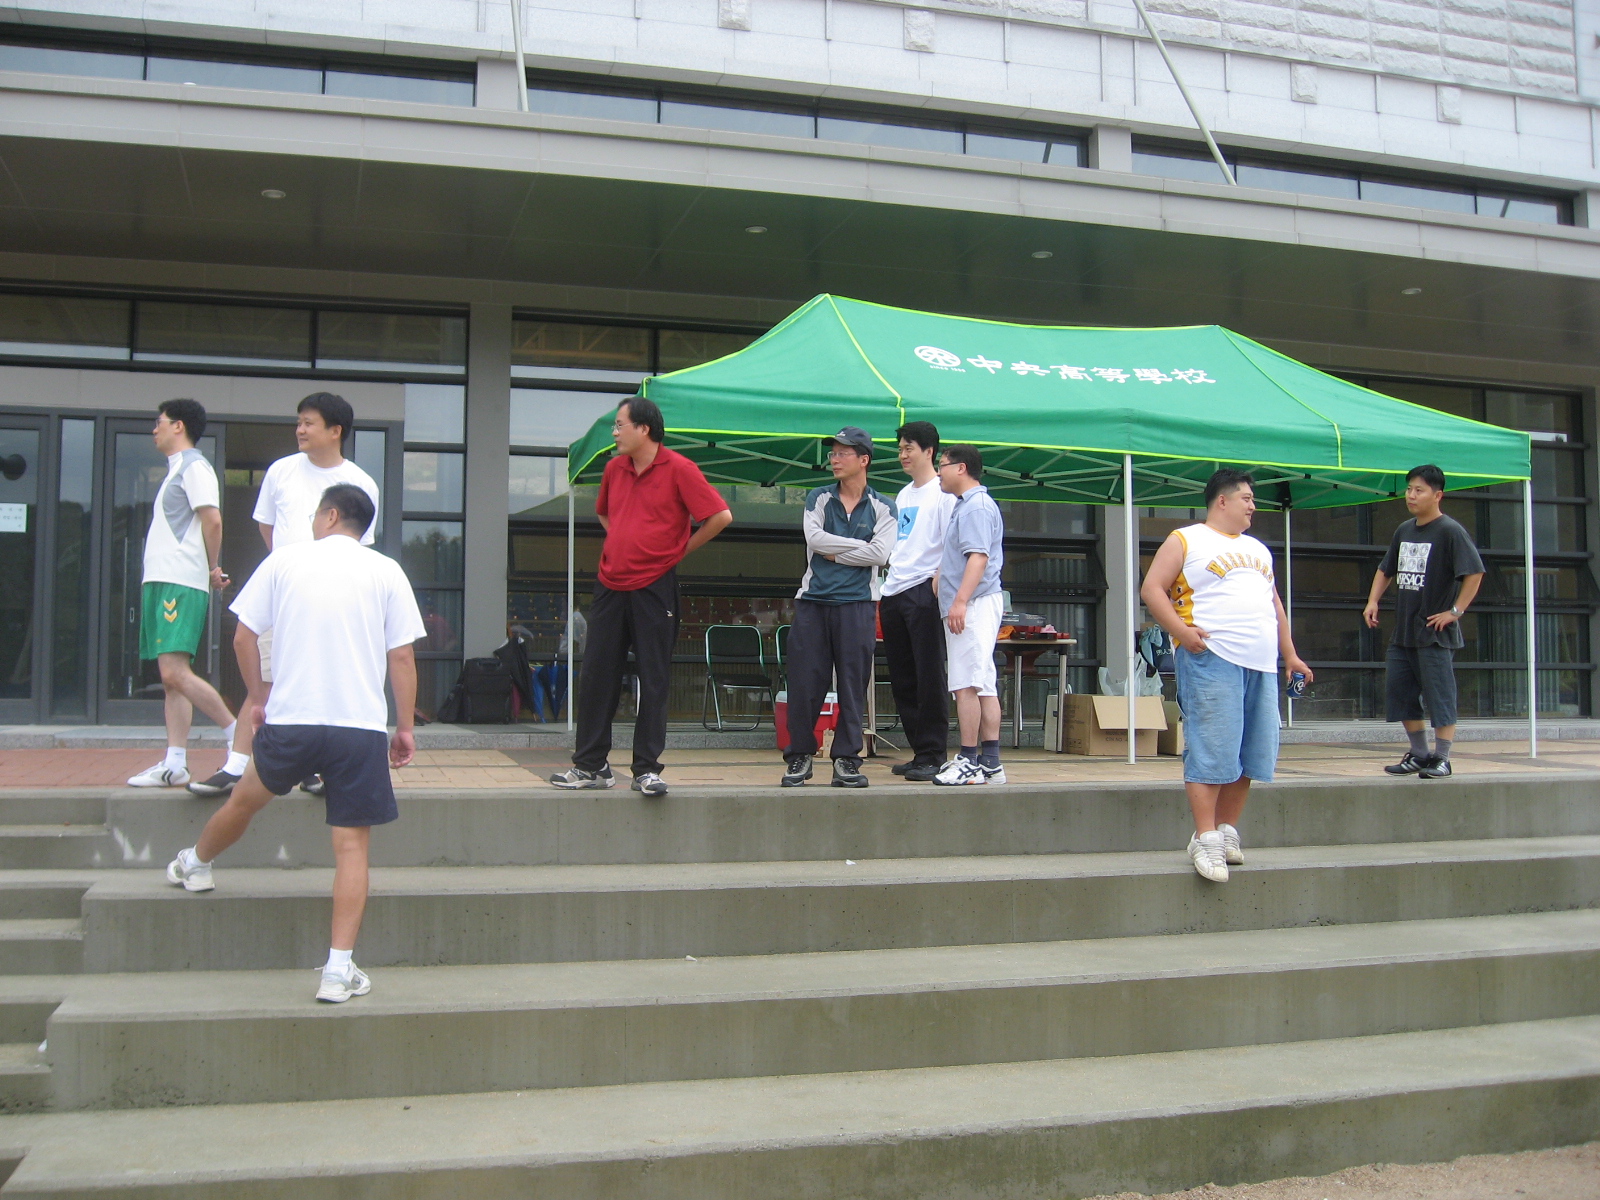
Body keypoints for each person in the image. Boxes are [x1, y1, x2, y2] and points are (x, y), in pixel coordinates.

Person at [165, 484, 423, 1004]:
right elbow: (401, 657)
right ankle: (338, 971)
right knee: (351, 847)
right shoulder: (387, 571)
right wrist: (404, 728)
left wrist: (259, 697)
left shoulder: (285, 561)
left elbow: (243, 636)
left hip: (292, 721)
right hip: (358, 729)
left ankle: (194, 862)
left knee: (244, 801)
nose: (310, 521)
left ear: (331, 515)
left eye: (314, 513)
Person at [191, 393, 380, 799]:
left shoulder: (361, 483)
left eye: (309, 423)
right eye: (299, 422)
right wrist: (290, 569)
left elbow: (360, 547)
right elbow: (268, 528)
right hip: (284, 597)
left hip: (334, 603)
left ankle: (313, 770)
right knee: (264, 681)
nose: (300, 429)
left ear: (336, 430)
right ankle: (236, 765)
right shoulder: (281, 471)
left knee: (324, 682)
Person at [549, 396, 731, 797]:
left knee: (653, 678)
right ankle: (592, 766)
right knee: (597, 676)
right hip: (609, 585)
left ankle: (646, 769)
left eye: (619, 425)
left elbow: (720, 516)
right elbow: (604, 513)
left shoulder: (680, 468)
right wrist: (623, 538)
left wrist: (676, 551)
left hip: (654, 588)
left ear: (644, 429)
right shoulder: (613, 469)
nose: (614, 433)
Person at [1140, 468, 1313, 883]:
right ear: (1222, 500)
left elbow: (1274, 604)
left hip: (1260, 663)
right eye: (1246, 498)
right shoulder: (1186, 539)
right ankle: (1205, 836)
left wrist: (1290, 654)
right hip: (1211, 657)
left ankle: (1226, 829)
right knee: (1213, 747)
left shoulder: (1258, 550)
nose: (1253, 506)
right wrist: (1181, 632)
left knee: (1251, 750)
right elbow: (1152, 589)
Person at [127, 399, 247, 790]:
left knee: (175, 672)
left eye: (159, 422)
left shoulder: (195, 466)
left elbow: (212, 519)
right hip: (162, 580)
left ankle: (240, 739)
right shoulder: (176, 469)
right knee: (171, 680)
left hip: (179, 581)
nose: (154, 430)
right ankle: (175, 763)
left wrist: (212, 567)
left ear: (178, 426)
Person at [780, 427, 897, 788]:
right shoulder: (818, 497)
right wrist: (860, 548)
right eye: (833, 453)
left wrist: (838, 552)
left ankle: (847, 759)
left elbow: (882, 553)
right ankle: (800, 755)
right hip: (813, 603)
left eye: (843, 453)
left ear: (864, 460)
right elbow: (814, 540)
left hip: (858, 605)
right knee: (804, 684)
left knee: (852, 686)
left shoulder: (884, 506)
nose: (834, 459)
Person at [1363, 464, 1485, 779]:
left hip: (1434, 633)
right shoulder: (1404, 530)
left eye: (1419, 490)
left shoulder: (1450, 531)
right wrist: (1373, 601)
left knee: (1440, 696)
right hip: (1403, 633)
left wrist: (1455, 611)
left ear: (1437, 495)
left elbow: (1474, 573)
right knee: (1400, 694)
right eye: (1409, 489)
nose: (1411, 495)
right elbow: (1385, 569)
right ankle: (1419, 754)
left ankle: (1442, 758)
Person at [878, 421, 955, 782]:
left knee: (929, 675)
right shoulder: (904, 494)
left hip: (924, 589)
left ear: (929, 451)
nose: (902, 455)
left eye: (909, 448)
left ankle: (933, 754)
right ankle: (918, 751)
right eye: (900, 449)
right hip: (894, 590)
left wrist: (938, 578)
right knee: (903, 677)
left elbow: (953, 542)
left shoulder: (944, 493)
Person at [931, 445, 1007, 787]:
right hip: (976, 602)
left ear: (961, 468)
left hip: (973, 603)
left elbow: (978, 557)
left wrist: (960, 600)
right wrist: (941, 575)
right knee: (983, 683)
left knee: (966, 685)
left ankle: (969, 759)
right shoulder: (968, 505)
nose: (938, 472)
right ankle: (990, 762)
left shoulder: (975, 506)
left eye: (942, 465)